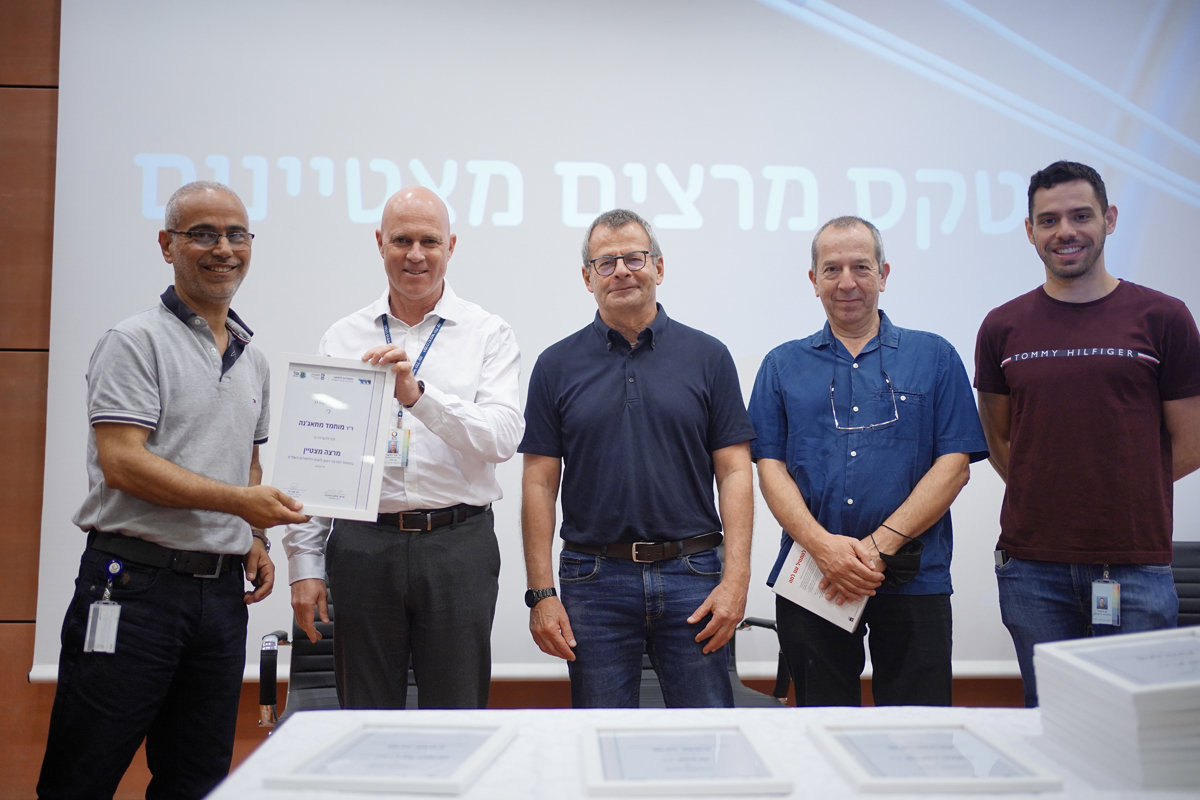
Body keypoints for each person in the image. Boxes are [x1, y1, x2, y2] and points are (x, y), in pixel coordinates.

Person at [37, 181, 309, 800]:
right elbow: (123, 464)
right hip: (133, 588)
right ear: (167, 245)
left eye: (236, 235)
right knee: (82, 776)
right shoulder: (134, 341)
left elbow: (248, 464)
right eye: (203, 234)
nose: (223, 249)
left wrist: (254, 535)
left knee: (197, 779)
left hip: (220, 599)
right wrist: (239, 505)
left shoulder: (253, 358)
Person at [283, 186, 522, 709]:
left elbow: (502, 438)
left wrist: (418, 397)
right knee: (364, 715)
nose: (416, 254)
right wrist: (305, 566)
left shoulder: (489, 334)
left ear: (450, 247)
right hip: (363, 547)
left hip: (458, 546)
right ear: (380, 243)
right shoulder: (342, 337)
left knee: (457, 712)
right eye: (402, 240)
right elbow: (318, 460)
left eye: (429, 241)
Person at [975, 161, 1200, 707]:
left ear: (1109, 219)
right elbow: (1001, 441)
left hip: (1135, 565)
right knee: (1052, 722)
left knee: (1135, 728)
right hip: (1032, 570)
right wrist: (1054, 483)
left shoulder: (1164, 318)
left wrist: (1121, 485)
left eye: (1081, 216)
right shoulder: (1002, 326)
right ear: (1029, 230)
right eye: (1048, 220)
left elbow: (1191, 442)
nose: (1065, 231)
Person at [748, 215, 988, 707]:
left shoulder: (936, 357)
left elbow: (955, 466)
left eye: (861, 266)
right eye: (831, 269)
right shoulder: (780, 365)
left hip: (914, 577)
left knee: (919, 731)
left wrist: (877, 549)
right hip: (814, 576)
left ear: (884, 273)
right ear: (813, 280)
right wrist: (825, 549)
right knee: (821, 723)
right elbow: (770, 468)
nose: (847, 282)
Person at [520, 209, 755, 708]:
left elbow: (735, 471)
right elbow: (539, 483)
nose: (621, 271)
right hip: (593, 583)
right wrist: (541, 594)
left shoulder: (709, 356)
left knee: (708, 736)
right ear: (587, 278)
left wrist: (736, 579)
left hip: (694, 576)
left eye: (634, 258)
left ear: (659, 267)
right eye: (605, 263)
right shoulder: (554, 365)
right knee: (601, 738)